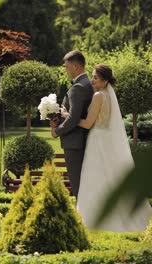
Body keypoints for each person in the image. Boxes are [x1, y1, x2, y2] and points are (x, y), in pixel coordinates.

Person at [71, 64, 152, 231]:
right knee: (108, 177)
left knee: (94, 178)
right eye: (92, 77)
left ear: (105, 80)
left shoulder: (98, 96)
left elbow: (87, 124)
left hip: (97, 141)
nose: (92, 81)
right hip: (106, 139)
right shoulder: (109, 95)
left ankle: (91, 218)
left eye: (95, 78)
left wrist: (68, 117)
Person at [50, 51, 94, 199]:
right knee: (83, 183)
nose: (65, 69)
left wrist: (58, 131)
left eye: (66, 66)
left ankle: (82, 218)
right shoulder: (87, 83)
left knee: (78, 184)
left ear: (75, 66)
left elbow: (74, 118)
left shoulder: (78, 87)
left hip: (74, 142)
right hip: (81, 141)